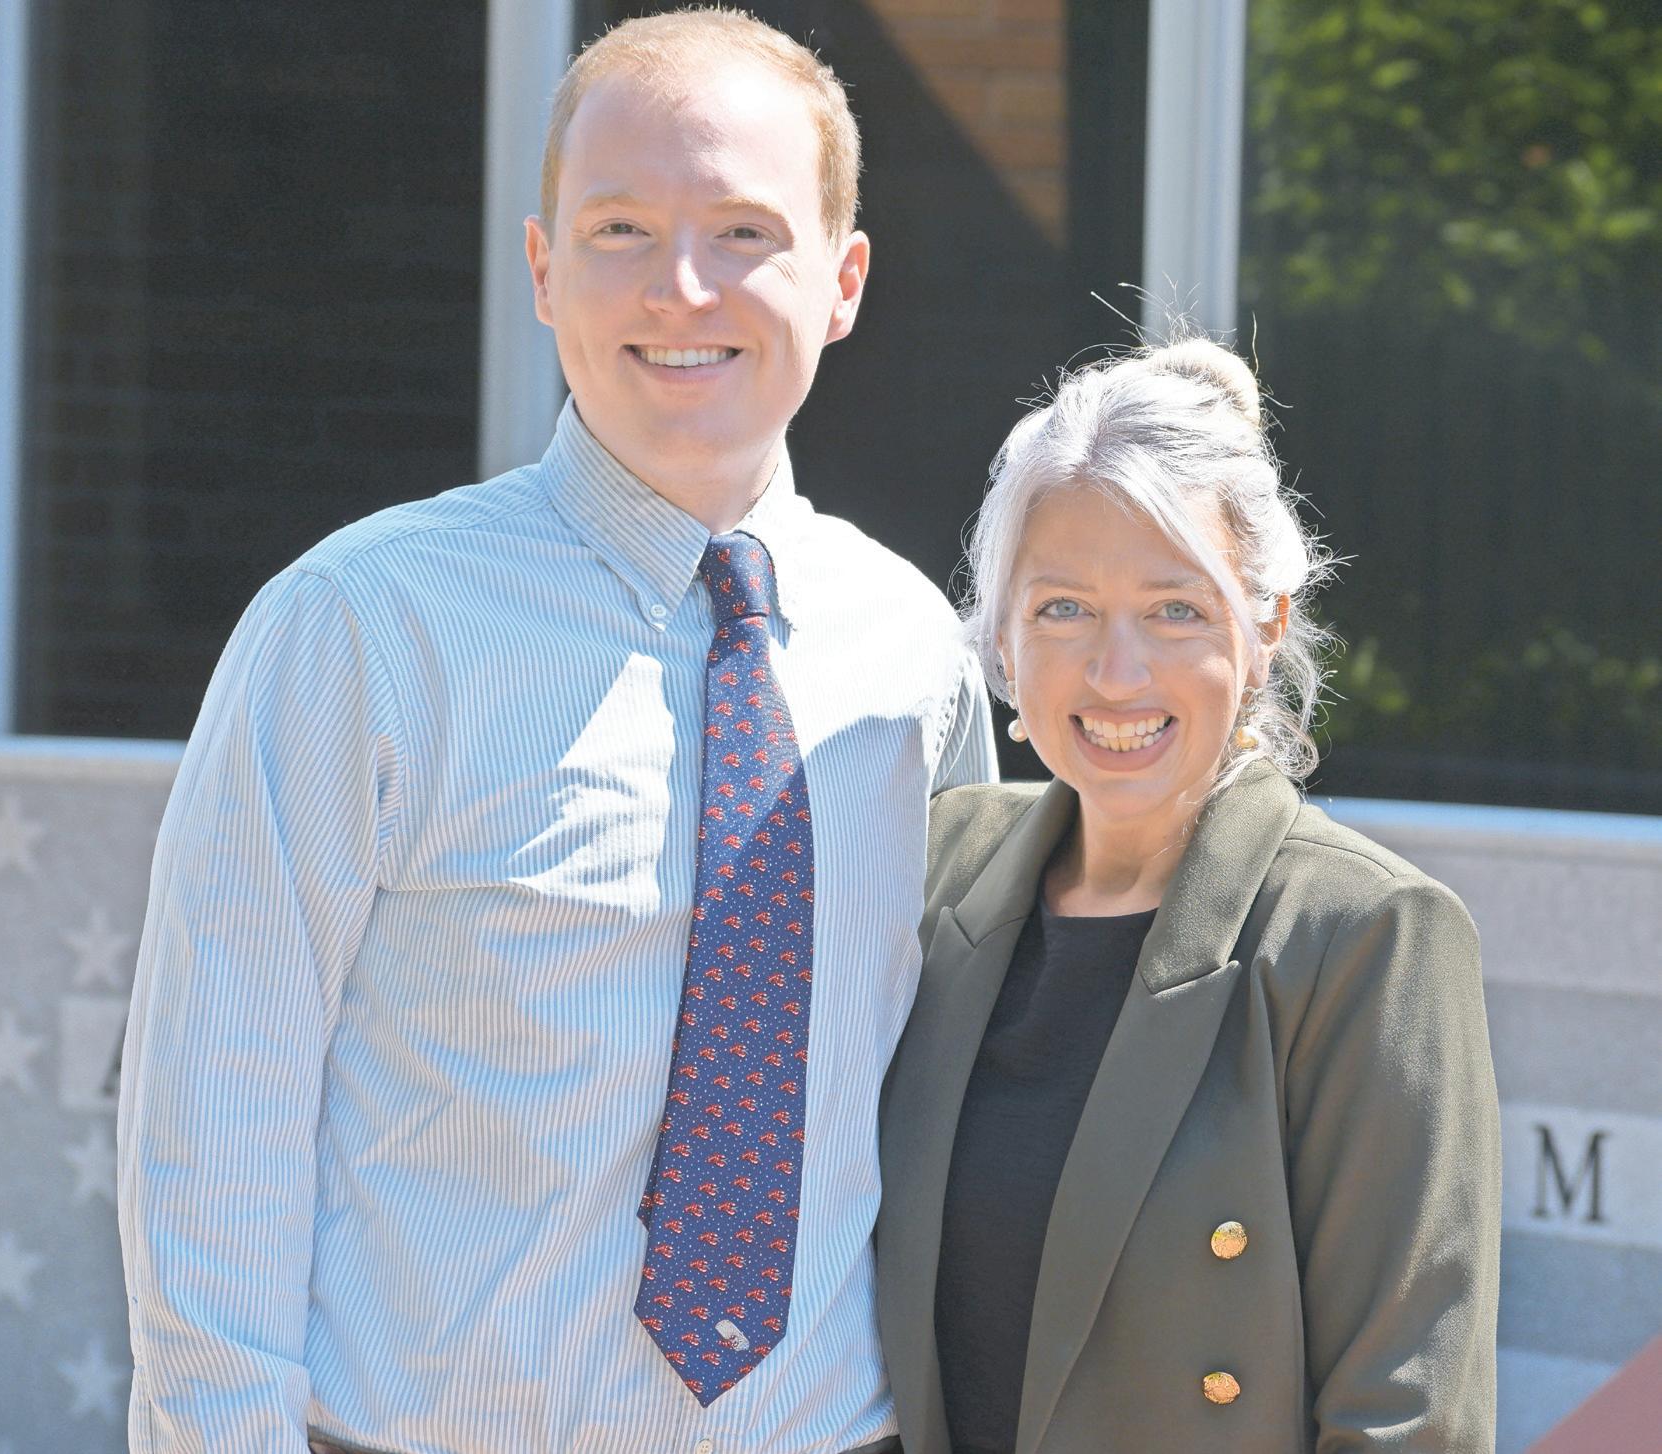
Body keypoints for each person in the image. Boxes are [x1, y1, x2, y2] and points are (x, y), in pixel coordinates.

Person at [117, 11, 995, 1452]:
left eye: (743, 231)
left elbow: (950, 1096)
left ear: (843, 280)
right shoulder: (359, 628)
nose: (681, 284)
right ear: (541, 268)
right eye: (619, 228)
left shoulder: (917, 655)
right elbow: (216, 1113)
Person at [876, 339, 1501, 1453]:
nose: (1117, 674)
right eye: (1063, 608)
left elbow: (1407, 1413)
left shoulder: (1365, 934)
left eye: (1174, 610)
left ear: (1263, 629)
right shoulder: (933, 868)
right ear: (1003, 636)